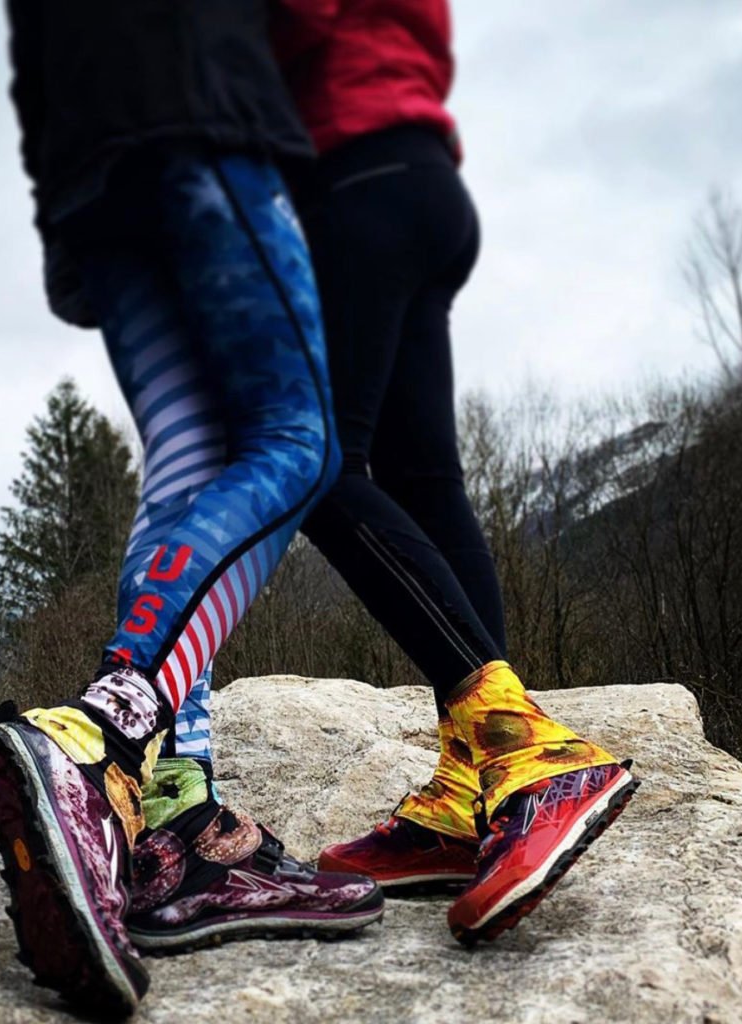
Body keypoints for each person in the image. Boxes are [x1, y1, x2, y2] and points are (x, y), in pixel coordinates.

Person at [152, 0, 638, 949]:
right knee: (423, 476)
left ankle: (523, 750)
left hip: (354, 177)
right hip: (419, 181)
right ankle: (474, 790)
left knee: (310, 461)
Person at [0, 1, 384, 1017]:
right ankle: (103, 733)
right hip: (199, 104)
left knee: (189, 460)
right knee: (303, 440)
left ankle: (173, 829)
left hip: (85, 164)